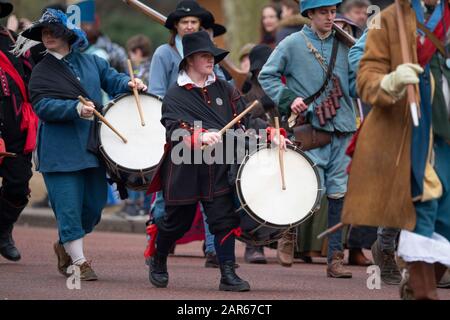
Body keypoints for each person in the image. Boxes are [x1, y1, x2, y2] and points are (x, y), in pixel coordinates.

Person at [146, 30, 286, 291]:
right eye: (204, 56)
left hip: (219, 166)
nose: (210, 60)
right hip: (184, 168)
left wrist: (270, 134)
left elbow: (246, 121)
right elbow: (174, 128)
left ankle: (228, 274)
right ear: (189, 60)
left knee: (223, 219)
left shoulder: (226, 89)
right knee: (177, 222)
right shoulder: (175, 94)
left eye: (212, 55)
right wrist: (198, 135)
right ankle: (158, 256)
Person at [21, 8, 146, 280]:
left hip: (92, 147)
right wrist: (74, 109)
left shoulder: (93, 63)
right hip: (58, 151)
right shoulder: (41, 70)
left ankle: (64, 242)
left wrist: (130, 82)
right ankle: (79, 261)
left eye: (53, 31)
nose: (47, 36)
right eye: (44, 32)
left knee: (94, 205)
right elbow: (42, 106)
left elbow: (114, 81)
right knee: (67, 207)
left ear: (68, 34)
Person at [343, 0, 450, 299]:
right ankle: (424, 292)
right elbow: (365, 79)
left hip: (448, 130)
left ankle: (417, 284)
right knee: (424, 206)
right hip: (410, 130)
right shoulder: (384, 19)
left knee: (447, 217)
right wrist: (389, 81)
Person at [259, 0, 357, 278]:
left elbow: (352, 87)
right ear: (310, 14)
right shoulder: (292, 43)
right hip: (311, 129)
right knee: (305, 188)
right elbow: (267, 75)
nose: (330, 16)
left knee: (338, 192)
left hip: (343, 129)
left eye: (333, 11)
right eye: (324, 12)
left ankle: (335, 258)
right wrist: (290, 99)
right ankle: (288, 234)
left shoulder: (346, 44)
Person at [147, 0, 219, 268]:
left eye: (194, 22)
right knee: (170, 196)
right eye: (184, 22)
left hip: (209, 133)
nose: (189, 26)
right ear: (176, 26)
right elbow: (156, 93)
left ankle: (214, 251)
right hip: (174, 130)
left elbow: (217, 88)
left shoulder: (209, 55)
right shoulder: (163, 54)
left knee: (213, 192)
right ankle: (158, 244)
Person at [0, 0, 37, 262]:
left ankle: (2, 231)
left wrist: (40, 33)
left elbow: (35, 73)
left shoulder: (14, 41)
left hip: (14, 125)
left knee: (18, 186)